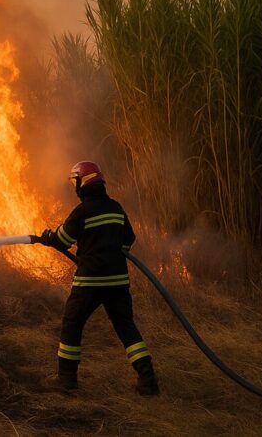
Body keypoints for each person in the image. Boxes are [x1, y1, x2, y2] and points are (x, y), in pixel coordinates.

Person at [32, 160, 159, 395]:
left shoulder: (82, 211)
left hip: (90, 283)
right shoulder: (115, 208)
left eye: (75, 182)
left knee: (72, 323)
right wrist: (110, 253)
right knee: (125, 326)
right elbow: (128, 239)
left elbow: (63, 240)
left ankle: (66, 379)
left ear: (82, 183)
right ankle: (147, 379)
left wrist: (48, 236)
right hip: (118, 282)